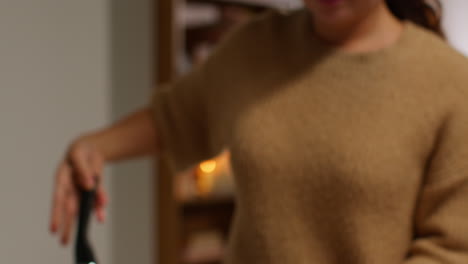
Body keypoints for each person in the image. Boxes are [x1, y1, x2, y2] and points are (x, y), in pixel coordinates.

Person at [50, 0, 468, 263]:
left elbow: (451, 250)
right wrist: (90, 149)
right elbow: (178, 116)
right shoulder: (254, 48)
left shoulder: (449, 83)